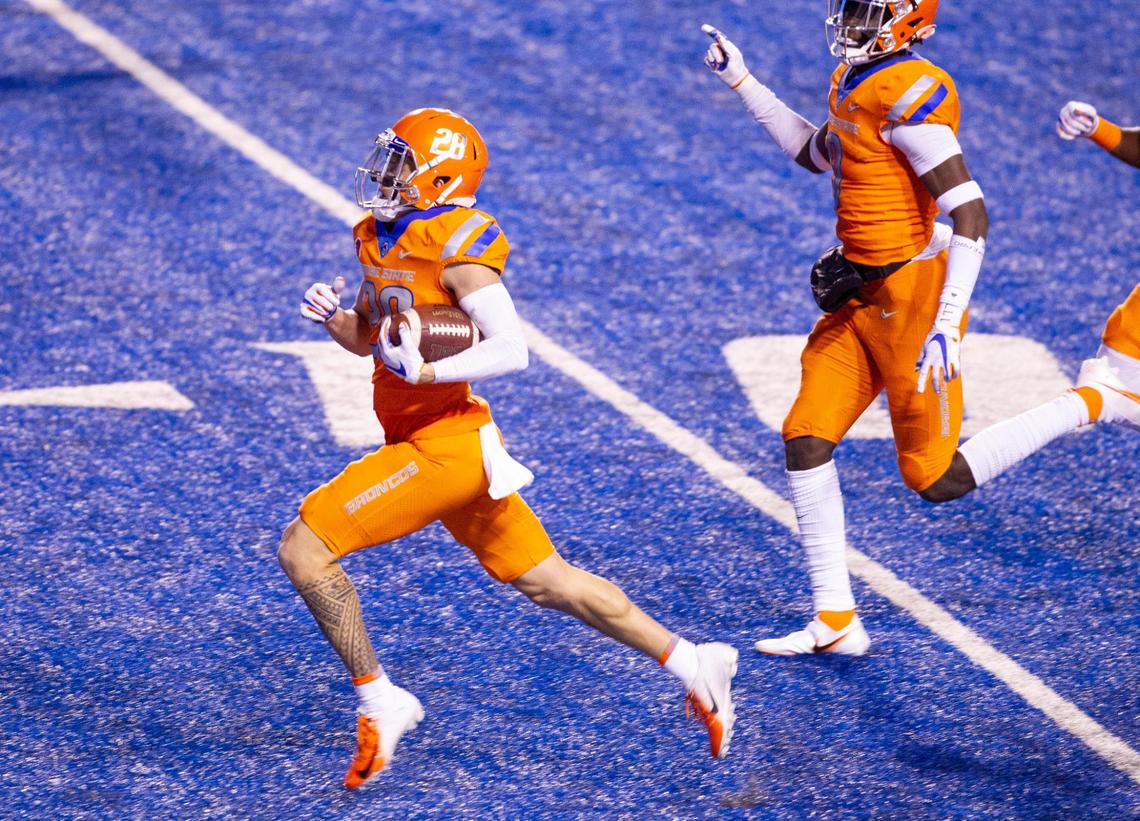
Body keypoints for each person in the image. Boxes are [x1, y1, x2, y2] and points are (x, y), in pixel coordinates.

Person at [277, 108, 738, 789]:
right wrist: (337, 320)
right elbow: (374, 338)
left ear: (439, 175)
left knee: (304, 547)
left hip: (446, 447)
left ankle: (382, 697)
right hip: (439, 440)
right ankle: (694, 662)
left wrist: (430, 371)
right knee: (549, 581)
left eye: (403, 162)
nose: (386, 173)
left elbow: (513, 348)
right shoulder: (378, 234)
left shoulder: (460, 241)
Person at [702, 4, 1139, 658]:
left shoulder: (913, 92)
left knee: (935, 479)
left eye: (864, 11)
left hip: (913, 302)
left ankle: (1098, 400)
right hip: (863, 292)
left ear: (904, 22)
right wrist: (744, 82)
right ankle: (837, 618)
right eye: (849, 9)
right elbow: (817, 153)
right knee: (805, 436)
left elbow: (971, 212)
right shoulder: (854, 82)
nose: (849, 22)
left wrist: (947, 325)